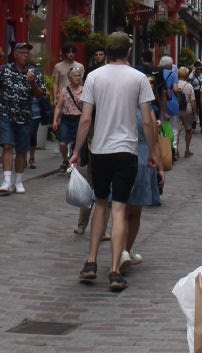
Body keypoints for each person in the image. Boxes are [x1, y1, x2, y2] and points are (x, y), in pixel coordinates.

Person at [70, 30, 158, 292]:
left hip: (100, 151)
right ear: (128, 51)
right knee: (119, 208)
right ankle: (115, 271)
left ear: (107, 51)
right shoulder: (139, 78)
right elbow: (147, 120)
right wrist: (152, 152)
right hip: (126, 150)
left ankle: (91, 261)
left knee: (100, 204)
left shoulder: (94, 77)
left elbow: (86, 118)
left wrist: (77, 150)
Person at [0, 41, 48, 195]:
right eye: (22, 53)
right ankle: (6, 181)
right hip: (6, 114)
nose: (25, 56)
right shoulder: (4, 70)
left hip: (25, 116)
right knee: (7, 146)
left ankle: (18, 181)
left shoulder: (34, 72)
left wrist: (33, 83)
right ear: (15, 55)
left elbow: (41, 95)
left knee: (21, 149)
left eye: (27, 53)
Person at [120, 103, 164, 272]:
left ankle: (122, 251)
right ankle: (125, 250)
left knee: (122, 211)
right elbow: (154, 140)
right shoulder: (147, 111)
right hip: (142, 158)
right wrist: (160, 169)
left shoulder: (120, 106)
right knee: (135, 212)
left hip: (121, 155)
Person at [53, 62, 85, 173]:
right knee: (62, 143)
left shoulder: (84, 90)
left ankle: (75, 167)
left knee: (77, 145)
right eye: (75, 76)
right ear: (70, 78)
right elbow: (58, 107)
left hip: (79, 119)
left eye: (79, 76)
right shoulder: (64, 90)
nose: (78, 77)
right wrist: (55, 120)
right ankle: (66, 160)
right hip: (66, 119)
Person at [177, 65, 197, 157]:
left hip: (176, 109)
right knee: (188, 130)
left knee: (176, 131)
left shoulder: (175, 84)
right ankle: (187, 150)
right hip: (187, 110)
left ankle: (176, 150)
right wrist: (195, 113)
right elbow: (193, 101)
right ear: (187, 75)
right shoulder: (189, 86)